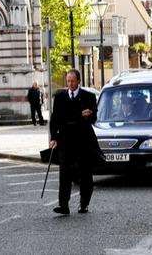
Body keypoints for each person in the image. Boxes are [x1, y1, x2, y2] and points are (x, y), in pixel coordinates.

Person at [49, 69, 99, 215]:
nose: (70, 83)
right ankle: (63, 205)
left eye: (72, 81)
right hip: (65, 141)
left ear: (79, 81)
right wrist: (53, 137)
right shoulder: (60, 97)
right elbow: (56, 119)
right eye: (68, 80)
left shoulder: (88, 97)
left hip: (83, 141)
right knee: (64, 174)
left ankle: (84, 204)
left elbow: (93, 118)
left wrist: (85, 116)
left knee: (85, 174)